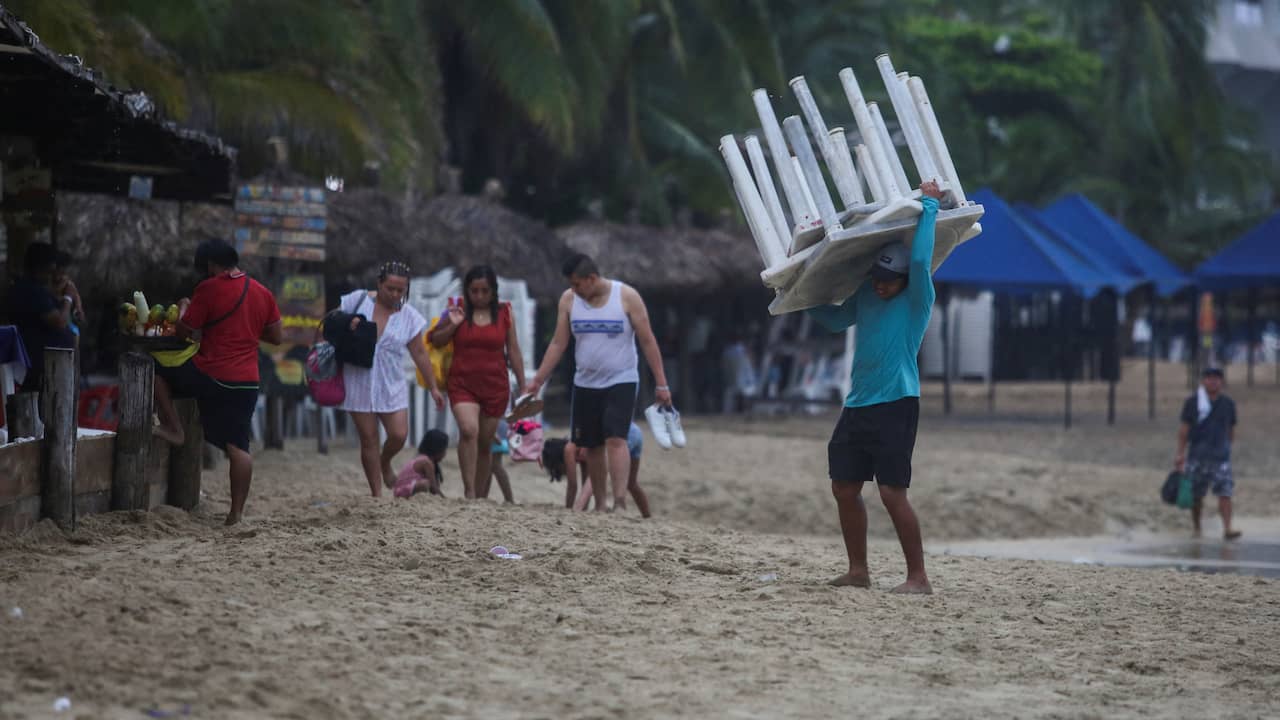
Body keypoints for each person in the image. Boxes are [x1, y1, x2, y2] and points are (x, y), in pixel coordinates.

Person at [806, 181, 945, 595]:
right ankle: (858, 571)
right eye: (877, 278)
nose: (881, 285)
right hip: (859, 402)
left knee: (891, 491)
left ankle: (918, 578)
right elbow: (833, 320)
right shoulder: (868, 295)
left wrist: (930, 206)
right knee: (844, 486)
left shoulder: (917, 297)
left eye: (889, 279)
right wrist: (797, 293)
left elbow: (920, 260)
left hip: (897, 402)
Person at [525, 253, 671, 512]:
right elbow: (559, 343)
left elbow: (648, 340)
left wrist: (661, 383)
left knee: (616, 438)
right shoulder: (569, 300)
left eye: (577, 284)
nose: (574, 290)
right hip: (585, 382)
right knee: (591, 444)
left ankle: (620, 502)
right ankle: (601, 503)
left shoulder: (627, 297)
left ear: (591, 278)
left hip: (621, 378)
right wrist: (537, 380)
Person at [152, 239, 282, 525]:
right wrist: (244, 330)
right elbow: (276, 337)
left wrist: (185, 306)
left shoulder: (209, 287)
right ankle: (235, 514)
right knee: (239, 447)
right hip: (247, 381)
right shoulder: (262, 292)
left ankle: (174, 427)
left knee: (155, 370)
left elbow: (184, 331)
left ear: (210, 265)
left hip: (211, 374)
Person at [337, 261, 445, 497]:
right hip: (358, 378)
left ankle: (385, 462)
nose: (395, 294)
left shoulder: (410, 317)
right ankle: (377, 493)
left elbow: (419, 353)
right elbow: (329, 326)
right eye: (390, 289)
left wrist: (434, 387)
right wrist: (346, 326)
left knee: (398, 434)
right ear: (379, 283)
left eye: (400, 290)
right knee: (369, 439)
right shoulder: (356, 301)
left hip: (391, 382)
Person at [428, 265, 525, 499]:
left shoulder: (505, 313)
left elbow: (513, 350)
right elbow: (435, 340)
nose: (479, 296)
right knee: (469, 430)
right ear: (467, 291)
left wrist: (523, 386)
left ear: (493, 291)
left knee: (484, 443)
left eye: (484, 291)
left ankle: (480, 497)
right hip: (462, 383)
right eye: (474, 291)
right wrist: (453, 324)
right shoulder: (456, 309)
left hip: (495, 386)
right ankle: (469, 491)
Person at [1175, 367, 1241, 540]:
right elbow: (1184, 430)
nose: (1213, 381)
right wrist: (1180, 454)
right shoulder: (1193, 402)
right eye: (1209, 378)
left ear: (1221, 381)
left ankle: (1227, 528)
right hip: (1197, 455)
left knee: (1225, 493)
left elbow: (1231, 429)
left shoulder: (1228, 404)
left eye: (1216, 378)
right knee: (1196, 495)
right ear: (1203, 381)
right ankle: (1197, 526)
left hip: (1221, 457)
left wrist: (1227, 448)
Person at [5, 243, 75, 392]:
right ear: (43, 267)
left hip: (41, 366)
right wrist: (69, 297)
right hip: (41, 368)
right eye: (52, 268)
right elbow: (59, 321)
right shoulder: (32, 291)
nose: (54, 273)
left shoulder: (28, 289)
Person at [394, 429, 449, 498]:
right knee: (425, 484)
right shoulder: (426, 462)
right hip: (402, 492)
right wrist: (444, 498)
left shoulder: (421, 458)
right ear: (437, 449)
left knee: (429, 483)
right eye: (444, 449)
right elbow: (433, 489)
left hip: (400, 491)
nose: (445, 454)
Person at [489, 418, 515, 504]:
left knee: (493, 465)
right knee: (491, 466)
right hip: (498, 424)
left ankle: (509, 499)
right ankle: (509, 498)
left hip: (493, 424)